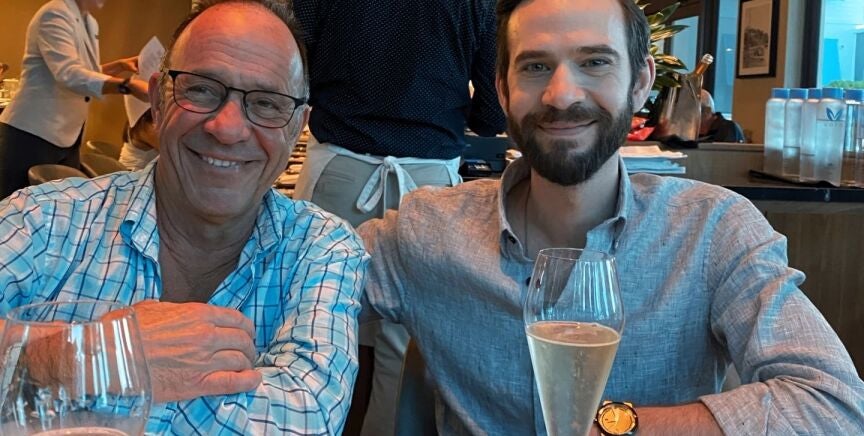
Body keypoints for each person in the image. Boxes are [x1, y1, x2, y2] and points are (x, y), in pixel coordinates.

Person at [357, 0, 864, 434]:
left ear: (640, 81)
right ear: (503, 90)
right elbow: (314, 275)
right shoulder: (427, 230)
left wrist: (618, 425)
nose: (562, 94)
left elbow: (833, 406)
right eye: (535, 66)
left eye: (595, 62)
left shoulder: (712, 229)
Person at [0, 1, 368, 434]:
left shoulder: (322, 248)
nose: (227, 129)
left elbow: (304, 421)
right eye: (202, 90)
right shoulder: (42, 219)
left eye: (267, 103)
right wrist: (101, 355)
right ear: (158, 101)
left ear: (296, 126)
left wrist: (53, 374)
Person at [292, 1, 506, 434]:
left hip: (338, 173)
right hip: (428, 184)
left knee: (314, 325)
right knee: (404, 344)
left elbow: (294, 75)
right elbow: (492, 114)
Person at [0, 0, 149, 199]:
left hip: (67, 134)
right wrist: (127, 86)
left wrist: (120, 65)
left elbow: (85, 73)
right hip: (32, 132)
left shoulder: (89, 21)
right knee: (15, 204)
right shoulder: (55, 13)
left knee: (58, 205)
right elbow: (69, 74)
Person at [119, 93, 158, 170]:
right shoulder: (146, 125)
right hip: (133, 173)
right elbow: (170, 150)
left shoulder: (138, 119)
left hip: (143, 172)